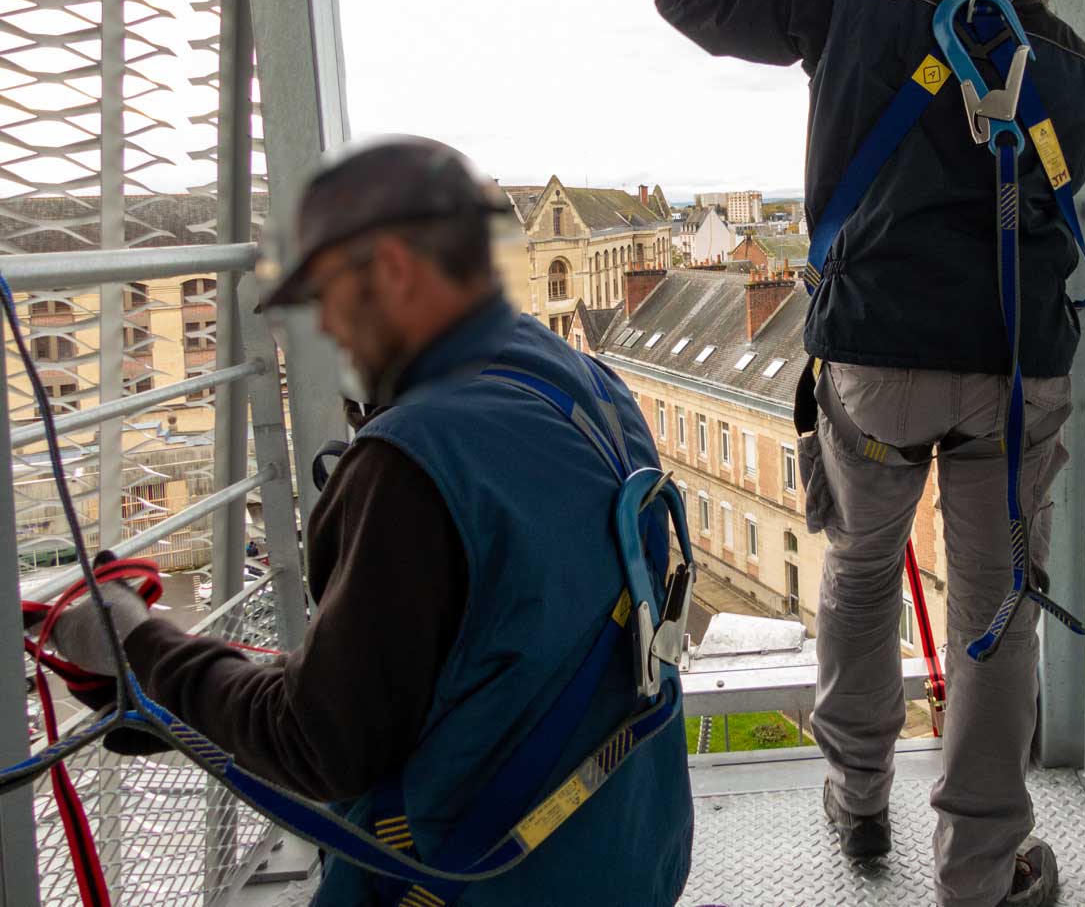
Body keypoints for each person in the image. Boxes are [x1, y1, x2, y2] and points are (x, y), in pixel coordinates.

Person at [48, 136, 694, 905]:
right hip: (622, 850)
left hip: (483, 879)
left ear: (391, 272)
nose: (326, 333)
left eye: (326, 298)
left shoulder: (414, 460)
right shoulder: (587, 386)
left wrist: (133, 647)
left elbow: (318, 743)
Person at [657, 0, 1085, 907]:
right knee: (995, 604)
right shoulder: (1062, 52)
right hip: (1013, 360)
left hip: (877, 356)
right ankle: (982, 868)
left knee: (861, 567)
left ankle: (857, 796)